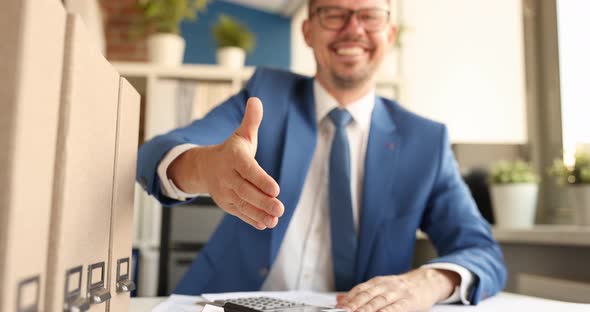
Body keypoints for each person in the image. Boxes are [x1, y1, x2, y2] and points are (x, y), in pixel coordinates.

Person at [136, 0, 506, 310]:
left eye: (370, 15)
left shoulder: (425, 141)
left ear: (389, 34)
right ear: (308, 32)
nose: (353, 28)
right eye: (333, 13)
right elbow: (153, 154)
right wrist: (206, 167)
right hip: (230, 305)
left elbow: (480, 250)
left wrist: (428, 281)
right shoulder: (267, 95)